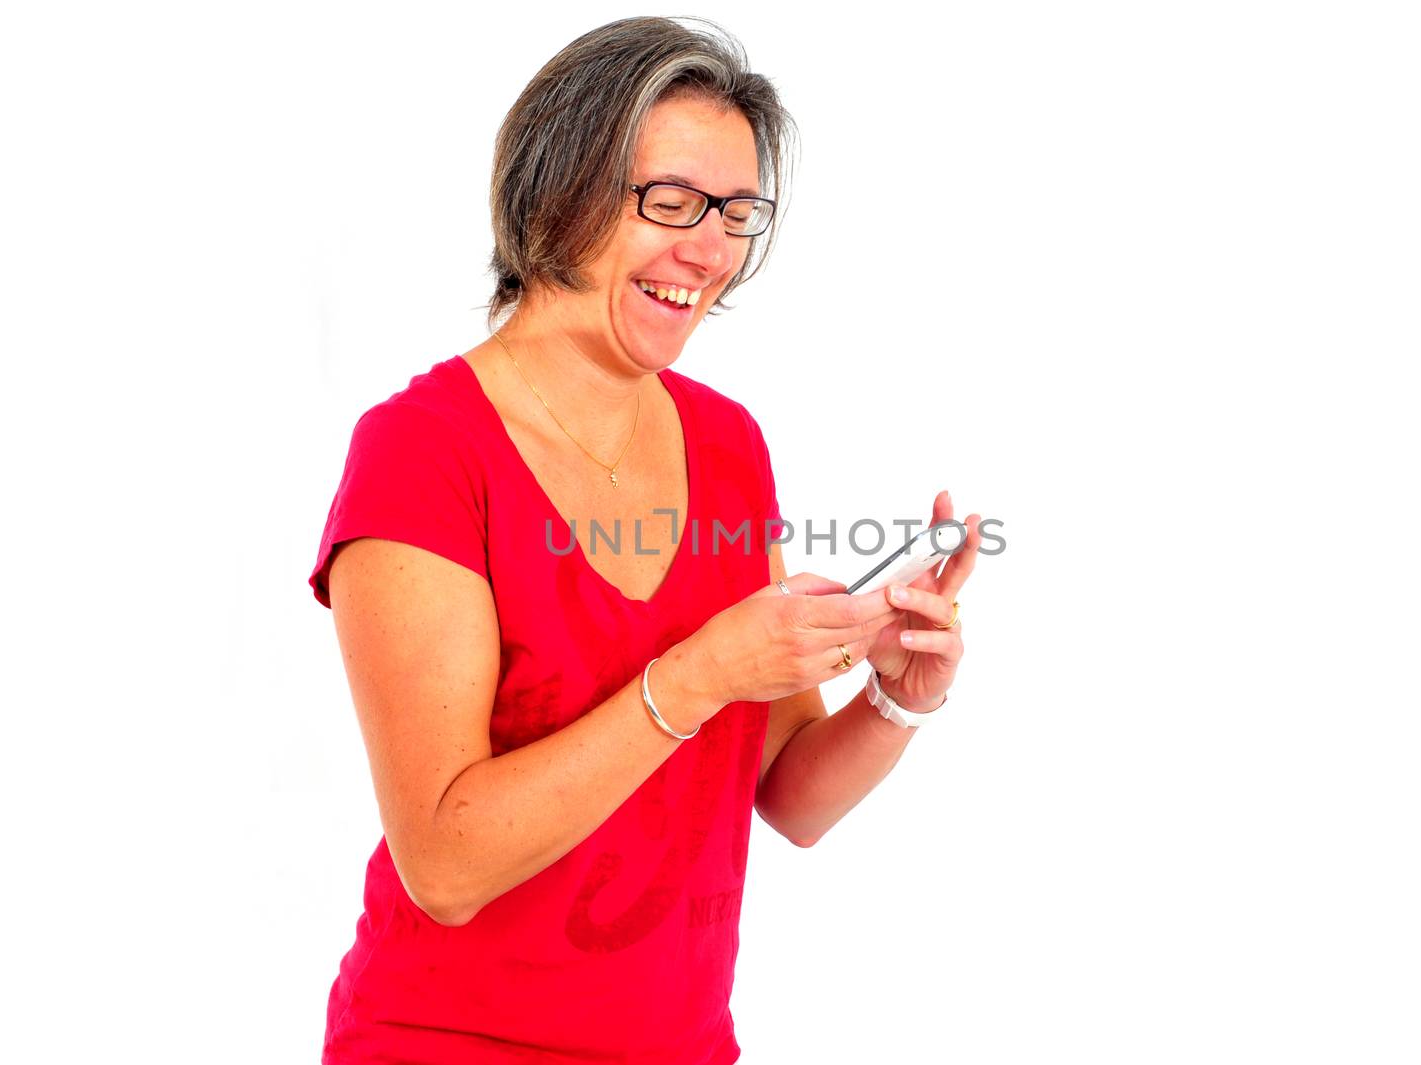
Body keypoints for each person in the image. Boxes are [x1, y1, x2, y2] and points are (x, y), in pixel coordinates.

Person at [306, 16, 981, 1064]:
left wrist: (894, 696)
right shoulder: (422, 452)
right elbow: (443, 863)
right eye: (668, 201)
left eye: (736, 213)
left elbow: (787, 796)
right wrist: (701, 674)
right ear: (557, 188)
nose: (707, 250)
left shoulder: (726, 444)